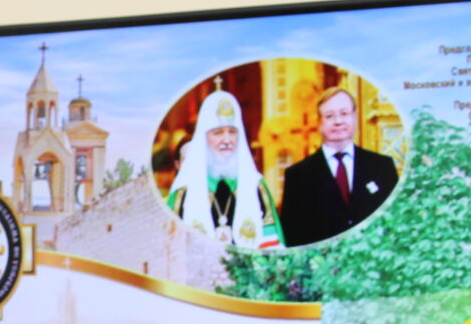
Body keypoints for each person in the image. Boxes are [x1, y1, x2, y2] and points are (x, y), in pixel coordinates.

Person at [278, 86, 400, 247]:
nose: (338, 121)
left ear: (354, 117)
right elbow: (293, 238)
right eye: (329, 116)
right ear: (319, 122)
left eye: (344, 113)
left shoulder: (382, 166)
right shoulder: (298, 175)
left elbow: (396, 223)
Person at [165, 87, 279, 248]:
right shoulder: (183, 190)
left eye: (232, 132)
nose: (227, 140)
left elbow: (272, 244)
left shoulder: (256, 185)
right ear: (204, 138)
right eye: (218, 133)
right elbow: (170, 246)